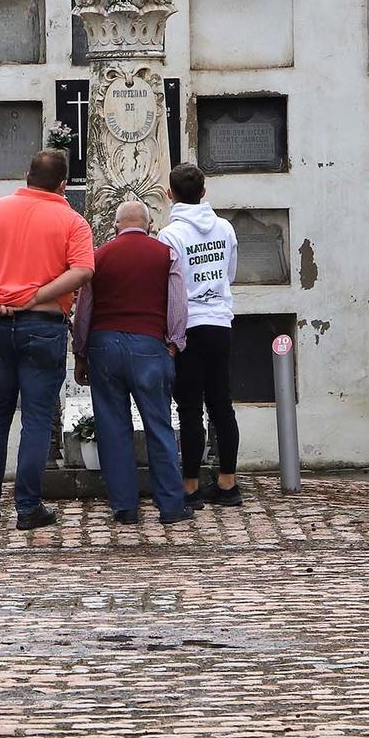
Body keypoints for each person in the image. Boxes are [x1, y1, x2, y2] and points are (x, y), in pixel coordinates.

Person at [0, 149, 95, 530]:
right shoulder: (72, 221)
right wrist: (40, 295)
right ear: (63, 184)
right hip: (43, 326)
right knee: (36, 418)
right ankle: (28, 509)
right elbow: (83, 271)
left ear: (26, 175)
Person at [71, 200, 192, 526]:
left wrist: (80, 352)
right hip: (149, 346)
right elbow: (178, 302)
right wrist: (173, 343)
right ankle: (170, 505)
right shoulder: (165, 254)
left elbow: (85, 309)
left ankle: (124, 507)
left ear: (115, 227)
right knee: (159, 426)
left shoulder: (98, 256)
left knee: (112, 428)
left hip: (105, 346)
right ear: (151, 226)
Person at [160, 163, 242, 508]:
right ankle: (228, 482)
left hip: (188, 326)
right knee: (221, 403)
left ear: (169, 194)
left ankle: (190, 486)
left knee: (189, 407)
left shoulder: (170, 235)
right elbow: (231, 272)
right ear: (204, 192)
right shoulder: (224, 228)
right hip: (220, 322)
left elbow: (169, 285)